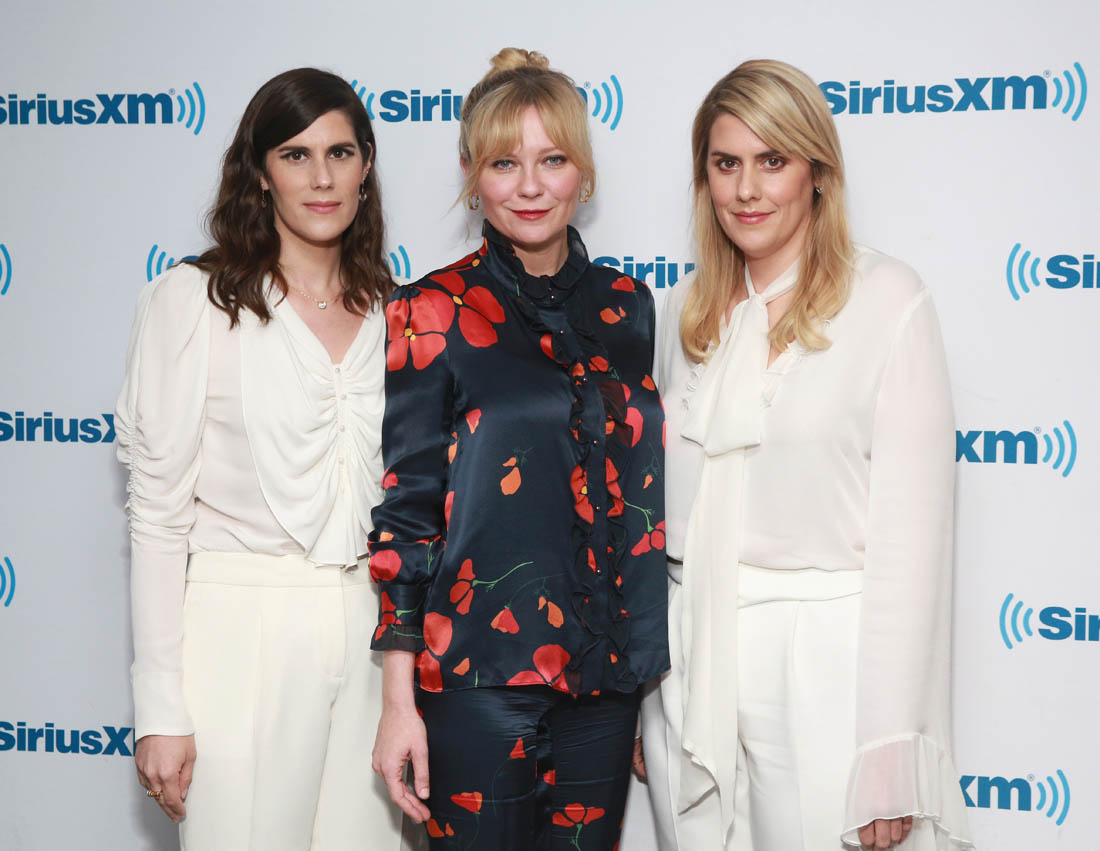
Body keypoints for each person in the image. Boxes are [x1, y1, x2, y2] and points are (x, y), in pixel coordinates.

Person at [639, 59, 974, 850]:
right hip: (689, 659)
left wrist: (891, 750)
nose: (747, 189)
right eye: (726, 164)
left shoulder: (887, 299)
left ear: (817, 173)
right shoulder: (681, 310)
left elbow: (913, 546)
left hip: (826, 666)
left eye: (773, 160)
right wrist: (644, 688)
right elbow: (653, 521)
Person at [368, 48, 668, 851]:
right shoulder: (431, 309)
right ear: (474, 176)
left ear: (584, 173)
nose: (530, 186)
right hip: (476, 680)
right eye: (505, 163)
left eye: (552, 160)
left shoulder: (629, 308)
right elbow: (408, 512)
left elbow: (638, 499)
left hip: (605, 685)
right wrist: (398, 700)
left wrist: (649, 685)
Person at [116, 67, 408, 850]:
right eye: (295, 154)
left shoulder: (397, 309)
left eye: (340, 153)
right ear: (260, 172)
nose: (322, 178)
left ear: (366, 167)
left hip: (372, 631)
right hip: (238, 630)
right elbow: (156, 516)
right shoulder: (195, 302)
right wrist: (159, 708)